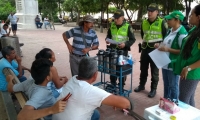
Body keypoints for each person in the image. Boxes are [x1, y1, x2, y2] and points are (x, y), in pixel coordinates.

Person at [52, 57, 130, 120]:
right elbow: (126, 104)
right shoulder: (90, 91)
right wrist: (113, 100)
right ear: (95, 75)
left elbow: (90, 94)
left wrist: (109, 98)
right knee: (95, 114)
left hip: (55, 117)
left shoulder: (73, 79)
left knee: (95, 113)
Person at [134, 3, 168, 98]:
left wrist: (161, 46)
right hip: (145, 49)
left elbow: (166, 37)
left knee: (154, 71)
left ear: (157, 12)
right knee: (143, 69)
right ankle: (142, 85)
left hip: (156, 50)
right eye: (148, 11)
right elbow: (142, 35)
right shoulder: (144, 22)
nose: (149, 13)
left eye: (152, 11)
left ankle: (153, 89)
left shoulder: (162, 22)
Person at [154, 11, 188, 101]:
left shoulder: (182, 34)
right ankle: (166, 102)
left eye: (169, 19)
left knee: (173, 86)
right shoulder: (170, 30)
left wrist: (167, 49)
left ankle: (174, 103)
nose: (167, 21)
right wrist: (159, 45)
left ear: (177, 20)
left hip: (173, 64)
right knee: (166, 84)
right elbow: (165, 43)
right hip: (165, 62)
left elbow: (183, 51)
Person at [173, 4, 200, 107]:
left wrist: (188, 68)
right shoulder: (194, 30)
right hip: (187, 70)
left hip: (191, 72)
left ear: (199, 17)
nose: (189, 16)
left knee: (183, 100)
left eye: (192, 14)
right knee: (189, 98)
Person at [105, 9, 136, 89]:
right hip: (112, 51)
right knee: (112, 68)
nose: (115, 20)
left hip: (122, 52)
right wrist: (107, 39)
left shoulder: (127, 26)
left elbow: (133, 39)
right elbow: (108, 36)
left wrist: (125, 44)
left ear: (122, 17)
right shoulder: (112, 25)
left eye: (117, 18)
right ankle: (113, 84)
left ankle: (121, 85)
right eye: (114, 18)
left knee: (121, 69)